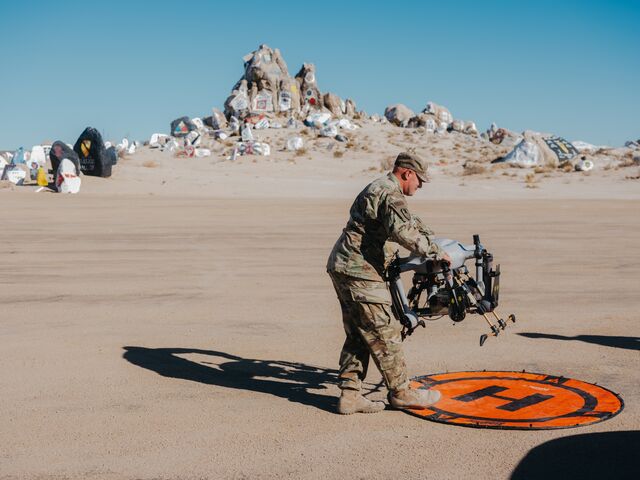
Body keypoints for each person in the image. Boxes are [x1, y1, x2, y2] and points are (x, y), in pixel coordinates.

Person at [327, 152, 451, 415]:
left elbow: (408, 223)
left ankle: (350, 395)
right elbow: (403, 232)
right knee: (386, 331)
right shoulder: (390, 192)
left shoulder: (381, 188)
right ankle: (401, 392)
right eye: (420, 180)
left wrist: (428, 237)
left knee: (359, 332)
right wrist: (436, 251)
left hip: (344, 265)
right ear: (407, 173)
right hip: (359, 270)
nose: (421, 185)